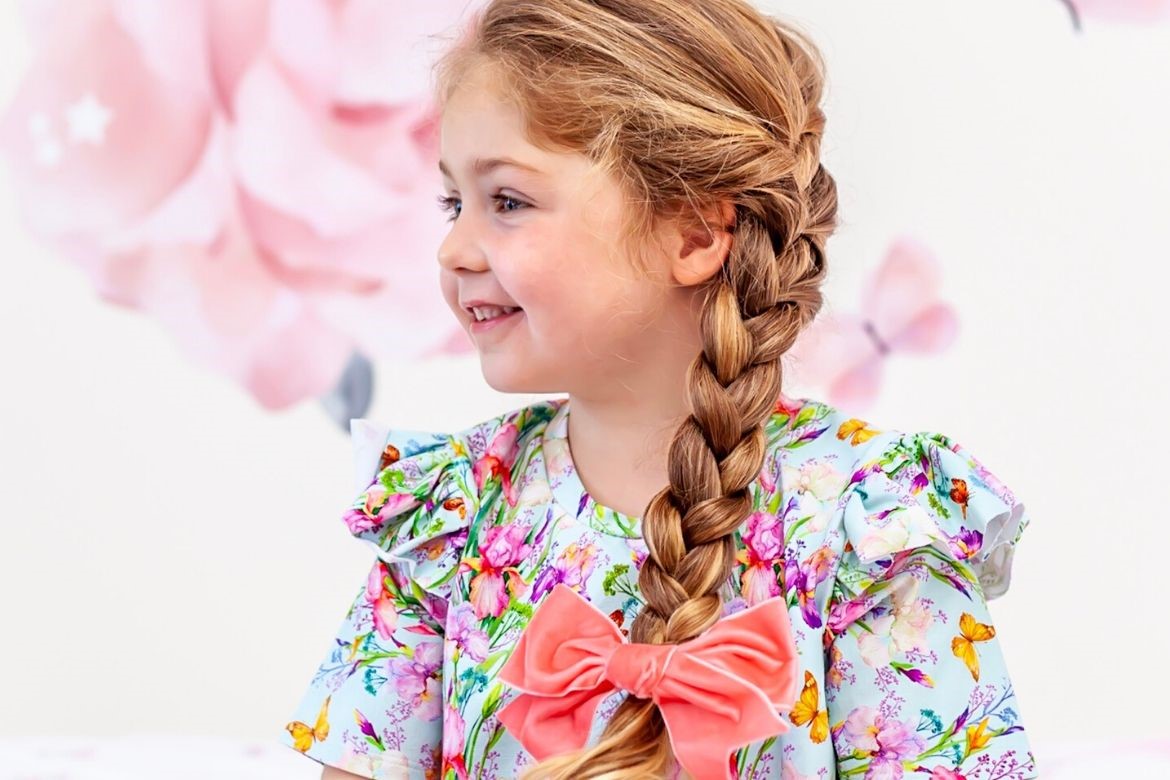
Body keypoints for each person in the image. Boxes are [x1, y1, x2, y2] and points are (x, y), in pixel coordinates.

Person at [280, 1, 1038, 778]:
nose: (453, 249)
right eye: (453, 204)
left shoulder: (869, 528)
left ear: (695, 233)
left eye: (507, 201)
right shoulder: (450, 517)